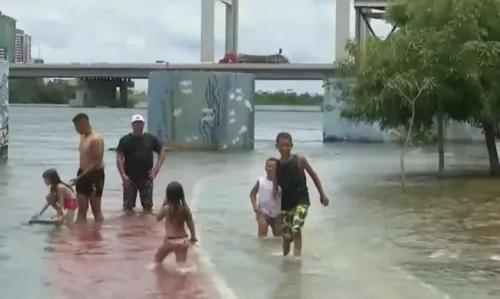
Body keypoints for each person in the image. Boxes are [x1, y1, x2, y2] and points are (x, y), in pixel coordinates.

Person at [272, 132, 330, 258]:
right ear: (277, 146)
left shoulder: (299, 160)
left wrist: (322, 194)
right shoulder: (276, 165)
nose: (285, 148)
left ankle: (297, 257)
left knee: (296, 226)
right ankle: (285, 258)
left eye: (287, 145)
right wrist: (273, 203)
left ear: (291, 145)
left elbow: (313, 176)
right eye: (282, 145)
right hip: (285, 203)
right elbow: (275, 186)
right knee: (286, 236)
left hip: (302, 199)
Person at [116, 114, 165, 214]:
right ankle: (129, 228)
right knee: (127, 208)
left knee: (147, 207)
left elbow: (162, 153)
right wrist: (123, 175)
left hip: (146, 178)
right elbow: (119, 157)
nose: (138, 126)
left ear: (143, 125)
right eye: (136, 124)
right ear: (132, 125)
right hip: (129, 178)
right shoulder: (125, 140)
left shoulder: (151, 139)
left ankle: (145, 227)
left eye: (140, 123)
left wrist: (156, 169)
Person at [71, 113, 105, 222]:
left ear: (84, 123)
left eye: (77, 126)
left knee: (96, 210)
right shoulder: (82, 136)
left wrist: (79, 177)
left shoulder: (95, 139)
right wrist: (80, 176)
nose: (76, 129)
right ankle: (80, 235)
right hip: (82, 173)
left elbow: (96, 162)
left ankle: (99, 234)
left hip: (95, 176)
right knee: (81, 209)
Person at [154, 181, 197, 266]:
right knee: (181, 266)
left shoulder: (166, 208)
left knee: (157, 260)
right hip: (183, 240)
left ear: (167, 196)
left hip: (170, 240)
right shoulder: (185, 209)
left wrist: (164, 204)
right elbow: (190, 223)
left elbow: (158, 218)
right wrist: (193, 237)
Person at [249, 157, 282, 237]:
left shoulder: (281, 183)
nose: (271, 169)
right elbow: (252, 193)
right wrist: (255, 206)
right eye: (268, 166)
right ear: (265, 168)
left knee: (278, 237)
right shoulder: (261, 180)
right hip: (263, 211)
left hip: (277, 213)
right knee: (262, 234)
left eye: (273, 167)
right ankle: (261, 248)